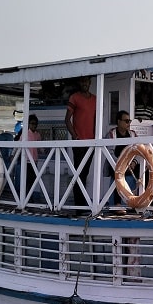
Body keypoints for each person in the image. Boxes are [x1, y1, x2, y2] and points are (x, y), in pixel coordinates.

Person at [64, 76, 96, 211]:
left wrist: (95, 137)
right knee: (79, 174)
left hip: (91, 142)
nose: (85, 84)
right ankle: (79, 206)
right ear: (80, 83)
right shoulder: (74, 97)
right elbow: (67, 120)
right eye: (83, 81)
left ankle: (83, 204)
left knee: (85, 174)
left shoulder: (95, 99)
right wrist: (75, 137)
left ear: (90, 83)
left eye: (87, 81)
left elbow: (95, 119)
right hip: (79, 143)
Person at [106, 110, 138, 207]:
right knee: (118, 173)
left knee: (145, 171)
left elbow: (138, 151)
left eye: (130, 121)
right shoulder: (112, 134)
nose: (129, 123)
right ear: (119, 122)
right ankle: (117, 204)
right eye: (126, 121)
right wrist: (122, 164)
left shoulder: (133, 134)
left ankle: (137, 202)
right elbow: (109, 153)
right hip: (115, 164)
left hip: (130, 164)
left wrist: (134, 162)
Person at [16, 115, 42, 196]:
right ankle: (25, 196)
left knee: (33, 179)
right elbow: (18, 145)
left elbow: (41, 147)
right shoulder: (25, 134)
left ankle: (28, 196)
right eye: (32, 123)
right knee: (26, 179)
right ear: (28, 124)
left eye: (36, 124)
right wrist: (13, 155)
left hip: (34, 160)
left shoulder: (37, 135)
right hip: (26, 161)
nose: (34, 125)